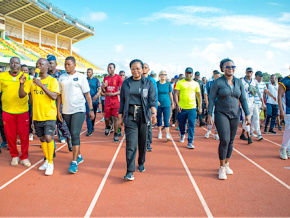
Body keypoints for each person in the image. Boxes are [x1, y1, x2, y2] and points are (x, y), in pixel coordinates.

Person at [208, 58, 250, 180]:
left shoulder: (238, 82)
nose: (231, 68)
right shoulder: (218, 83)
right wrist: (210, 114)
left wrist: (247, 114)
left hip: (235, 114)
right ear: (222, 69)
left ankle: (227, 164)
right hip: (221, 113)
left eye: (233, 67)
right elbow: (211, 99)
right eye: (227, 67)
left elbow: (243, 99)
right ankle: (221, 168)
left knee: (231, 141)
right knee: (224, 140)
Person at [19, 58, 59, 175]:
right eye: (37, 64)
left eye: (42, 64)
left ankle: (50, 163)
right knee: (42, 139)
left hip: (49, 115)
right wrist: (21, 84)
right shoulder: (31, 81)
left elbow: (54, 96)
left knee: (48, 137)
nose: (39, 66)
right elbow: (22, 95)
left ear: (47, 67)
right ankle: (46, 160)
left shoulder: (52, 81)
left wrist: (41, 85)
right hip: (37, 115)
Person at [119, 59, 157, 181]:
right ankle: (129, 171)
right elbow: (122, 101)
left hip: (144, 115)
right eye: (133, 68)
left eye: (138, 68)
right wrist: (120, 117)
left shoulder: (148, 83)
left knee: (142, 142)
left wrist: (154, 113)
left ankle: (141, 162)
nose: (136, 71)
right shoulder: (126, 83)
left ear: (142, 69)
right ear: (130, 70)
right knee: (131, 143)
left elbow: (152, 100)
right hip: (130, 115)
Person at [57, 56, 95, 174]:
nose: (66, 66)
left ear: (74, 65)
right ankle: (79, 156)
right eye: (65, 64)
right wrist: (58, 111)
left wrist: (91, 110)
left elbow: (87, 95)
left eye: (69, 64)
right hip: (66, 111)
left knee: (74, 134)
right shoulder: (61, 78)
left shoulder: (81, 77)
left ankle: (74, 163)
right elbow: (59, 95)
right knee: (70, 134)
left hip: (79, 109)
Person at [0, 57, 31, 166]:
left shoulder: (26, 77)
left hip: (22, 111)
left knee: (24, 136)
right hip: (7, 111)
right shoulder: (2, 76)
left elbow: (23, 95)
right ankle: (14, 156)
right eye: (12, 63)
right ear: (9, 64)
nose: (14, 65)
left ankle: (24, 157)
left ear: (20, 65)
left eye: (17, 63)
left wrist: (22, 82)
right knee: (10, 135)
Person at [47, 54, 72, 151]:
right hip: (48, 105)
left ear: (56, 64)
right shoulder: (44, 76)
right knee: (50, 126)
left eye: (51, 63)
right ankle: (52, 145)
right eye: (48, 63)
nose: (49, 65)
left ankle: (68, 139)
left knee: (63, 125)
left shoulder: (62, 75)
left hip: (60, 104)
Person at [174, 67, 202, 149]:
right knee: (181, 123)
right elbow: (175, 94)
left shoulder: (196, 84)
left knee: (191, 125)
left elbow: (199, 96)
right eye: (187, 73)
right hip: (182, 107)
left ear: (192, 74)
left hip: (192, 107)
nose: (188, 74)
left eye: (190, 73)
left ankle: (190, 141)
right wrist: (177, 104)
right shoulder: (180, 82)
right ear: (185, 73)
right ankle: (182, 134)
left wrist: (200, 107)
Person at [240, 67, 264, 143]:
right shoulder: (241, 81)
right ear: (245, 72)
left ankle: (259, 134)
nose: (249, 73)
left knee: (256, 118)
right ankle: (249, 137)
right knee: (247, 119)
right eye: (248, 72)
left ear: (252, 73)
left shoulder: (254, 81)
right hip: (245, 104)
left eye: (250, 72)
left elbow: (259, 92)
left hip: (253, 103)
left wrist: (262, 102)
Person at [102, 63, 123, 142]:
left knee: (116, 118)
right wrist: (103, 87)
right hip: (107, 101)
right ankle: (108, 127)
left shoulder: (118, 78)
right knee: (106, 118)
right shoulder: (106, 79)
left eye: (110, 68)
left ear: (114, 68)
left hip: (115, 101)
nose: (109, 69)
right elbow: (104, 91)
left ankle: (115, 135)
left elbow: (121, 91)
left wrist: (113, 94)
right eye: (108, 68)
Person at [143, 63, 158, 151]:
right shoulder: (138, 79)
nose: (144, 69)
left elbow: (154, 94)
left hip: (148, 107)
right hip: (139, 106)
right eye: (143, 67)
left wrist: (154, 110)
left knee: (148, 126)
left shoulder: (152, 80)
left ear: (148, 69)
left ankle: (148, 144)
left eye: (146, 68)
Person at [156, 71, 174, 141]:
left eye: (165, 75)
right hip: (159, 104)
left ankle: (167, 134)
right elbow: (154, 93)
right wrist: (156, 101)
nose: (163, 76)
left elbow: (170, 94)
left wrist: (172, 102)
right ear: (159, 75)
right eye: (162, 74)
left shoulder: (168, 84)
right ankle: (160, 132)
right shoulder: (157, 84)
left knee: (166, 119)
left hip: (166, 104)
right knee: (159, 118)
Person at [204, 70, 220, 140]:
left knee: (218, 119)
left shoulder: (222, 83)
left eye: (218, 77)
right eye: (216, 77)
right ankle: (209, 130)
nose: (217, 79)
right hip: (211, 103)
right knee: (210, 118)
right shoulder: (209, 83)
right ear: (213, 77)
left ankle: (216, 133)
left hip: (220, 104)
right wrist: (207, 103)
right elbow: (205, 93)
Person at [86, 68, 101, 136]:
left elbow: (99, 89)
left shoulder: (96, 80)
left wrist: (97, 95)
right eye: (87, 72)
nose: (88, 73)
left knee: (93, 114)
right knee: (88, 114)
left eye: (89, 72)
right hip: (87, 100)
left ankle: (92, 126)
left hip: (94, 100)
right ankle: (89, 130)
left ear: (92, 73)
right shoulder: (85, 80)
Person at [278, 74, 290, 159]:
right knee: (288, 129)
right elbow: (279, 95)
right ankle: (283, 148)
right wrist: (281, 110)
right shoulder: (285, 81)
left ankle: (288, 149)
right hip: (288, 109)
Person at [0, 65, 7, 152]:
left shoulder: (6, 82)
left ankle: (6, 141)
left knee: (3, 125)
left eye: (1, 72)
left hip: (5, 107)